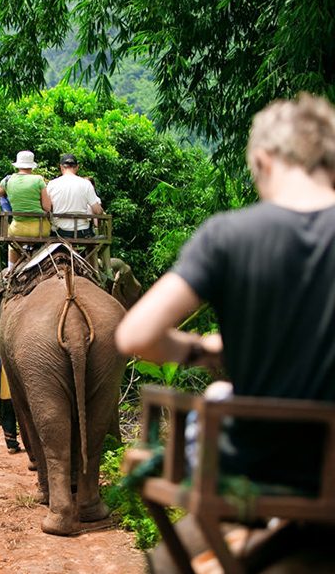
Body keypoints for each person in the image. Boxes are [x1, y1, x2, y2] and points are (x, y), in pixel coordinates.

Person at [116, 92, 335, 492]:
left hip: (259, 470)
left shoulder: (228, 236)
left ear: (265, 161)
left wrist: (200, 349)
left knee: (218, 395)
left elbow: (135, 336)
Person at [0, 150, 52, 272]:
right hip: (40, 229)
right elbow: (47, 207)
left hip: (18, 229)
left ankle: (10, 271)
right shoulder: (38, 180)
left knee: (13, 245)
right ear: (32, 165)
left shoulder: (8, 181)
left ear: (18, 165)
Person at [47, 153, 103, 239]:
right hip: (82, 232)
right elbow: (97, 211)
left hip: (59, 232)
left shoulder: (52, 184)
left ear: (61, 167)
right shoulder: (86, 184)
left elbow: (47, 208)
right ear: (77, 167)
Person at [0, 349, 21, 454]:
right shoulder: (13, 353)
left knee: (7, 419)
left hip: (3, 394)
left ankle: (12, 445)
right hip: (18, 394)